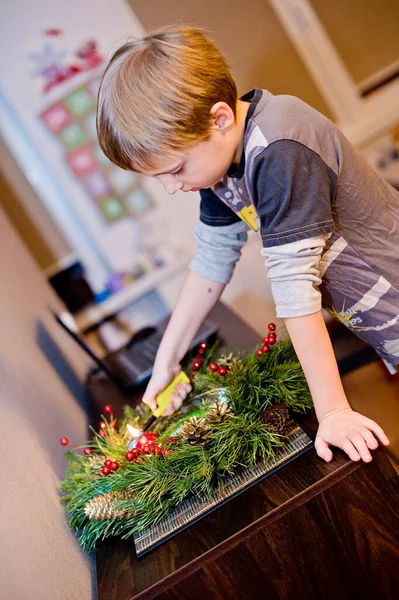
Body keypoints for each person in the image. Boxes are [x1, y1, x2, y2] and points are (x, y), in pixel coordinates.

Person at [96, 25, 398, 464]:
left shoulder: (279, 147)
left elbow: (295, 291)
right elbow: (212, 258)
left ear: (218, 119)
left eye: (175, 170)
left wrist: (333, 410)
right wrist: (166, 360)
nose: (170, 188)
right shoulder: (221, 165)